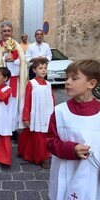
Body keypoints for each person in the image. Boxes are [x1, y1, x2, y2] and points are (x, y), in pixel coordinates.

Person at [47, 59, 100, 200]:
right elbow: (50, 141)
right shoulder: (59, 112)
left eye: (74, 78)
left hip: (92, 176)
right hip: (65, 172)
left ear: (91, 84)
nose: (68, 82)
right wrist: (71, 149)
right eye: (67, 78)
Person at [0, 20, 27, 141]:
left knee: (14, 106)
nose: (7, 33)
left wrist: (16, 60)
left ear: (11, 32)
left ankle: (12, 129)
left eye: (9, 31)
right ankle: (0, 128)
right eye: (4, 31)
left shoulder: (16, 45)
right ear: (0, 32)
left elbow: (23, 61)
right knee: (2, 105)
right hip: (2, 82)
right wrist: (4, 58)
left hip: (14, 81)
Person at [18, 58, 54, 169]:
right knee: (37, 136)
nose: (43, 70)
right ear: (34, 70)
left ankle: (38, 154)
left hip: (46, 113)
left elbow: (52, 99)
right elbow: (27, 100)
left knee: (44, 135)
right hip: (36, 114)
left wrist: (53, 114)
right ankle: (42, 158)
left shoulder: (48, 84)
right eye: (40, 68)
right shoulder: (31, 84)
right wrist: (26, 117)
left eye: (45, 68)